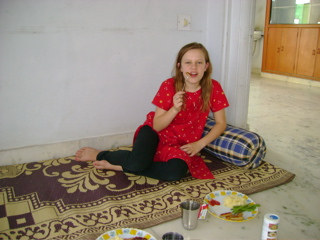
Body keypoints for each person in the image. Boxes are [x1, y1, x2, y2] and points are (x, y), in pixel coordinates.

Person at [75, 42, 229, 181]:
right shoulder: (169, 85)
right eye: (188, 62)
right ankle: (101, 154)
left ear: (206, 66)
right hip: (154, 133)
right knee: (137, 162)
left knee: (175, 173)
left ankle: (121, 166)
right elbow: (157, 126)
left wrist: (199, 145)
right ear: (180, 67)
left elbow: (221, 123)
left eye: (199, 62)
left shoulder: (214, 88)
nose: (193, 68)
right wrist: (174, 109)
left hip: (180, 144)